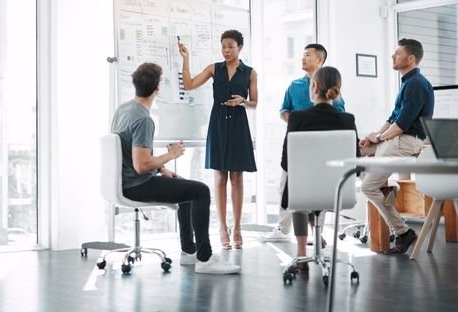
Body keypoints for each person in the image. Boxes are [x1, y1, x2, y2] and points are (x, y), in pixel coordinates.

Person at [112, 62, 241, 274]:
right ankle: (205, 259)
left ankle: (189, 252)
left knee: (183, 186)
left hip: (126, 181)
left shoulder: (123, 110)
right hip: (137, 184)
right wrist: (170, 156)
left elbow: (131, 153)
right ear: (157, 89)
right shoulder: (143, 119)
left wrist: (163, 170)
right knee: (201, 191)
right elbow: (141, 165)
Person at [178, 29, 257, 250]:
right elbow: (190, 84)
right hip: (219, 124)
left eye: (231, 46)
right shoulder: (214, 68)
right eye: (223, 47)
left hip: (239, 124)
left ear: (240, 47)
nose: (226, 50)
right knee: (221, 177)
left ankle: (238, 227)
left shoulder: (250, 73)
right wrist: (186, 59)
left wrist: (243, 101)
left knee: (238, 178)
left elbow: (255, 103)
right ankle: (222, 227)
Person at [264, 43, 345, 242]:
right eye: (302, 55)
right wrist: (295, 122)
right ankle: (283, 230)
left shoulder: (330, 87)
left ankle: (316, 233)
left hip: (321, 150)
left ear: (320, 59)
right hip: (295, 144)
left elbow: (340, 114)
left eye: (307, 55)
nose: (302, 58)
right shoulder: (294, 86)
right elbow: (284, 110)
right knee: (286, 187)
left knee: (316, 190)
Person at [359, 38, 434, 254]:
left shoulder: (417, 84)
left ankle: (402, 231)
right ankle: (390, 189)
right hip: (397, 139)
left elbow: (401, 125)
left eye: (397, 53)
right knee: (360, 150)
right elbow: (393, 117)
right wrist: (374, 136)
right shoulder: (407, 83)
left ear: (410, 59)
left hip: (406, 141)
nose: (393, 56)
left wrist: (380, 139)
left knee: (368, 187)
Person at [279, 66, 359, 269]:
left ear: (313, 87)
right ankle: (314, 242)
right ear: (338, 90)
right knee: (312, 188)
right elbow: (356, 163)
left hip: (301, 192)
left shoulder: (297, 118)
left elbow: (286, 162)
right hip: (338, 192)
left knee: (297, 187)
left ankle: (301, 252)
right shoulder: (347, 120)